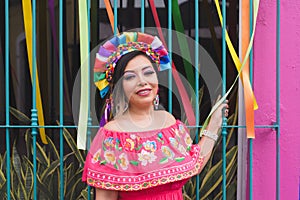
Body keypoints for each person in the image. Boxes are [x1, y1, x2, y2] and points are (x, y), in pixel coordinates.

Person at [82, 32, 229, 200]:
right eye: (130, 77)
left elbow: (194, 163)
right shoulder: (112, 135)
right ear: (119, 86)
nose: (142, 81)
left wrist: (214, 125)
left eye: (148, 72)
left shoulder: (169, 122)